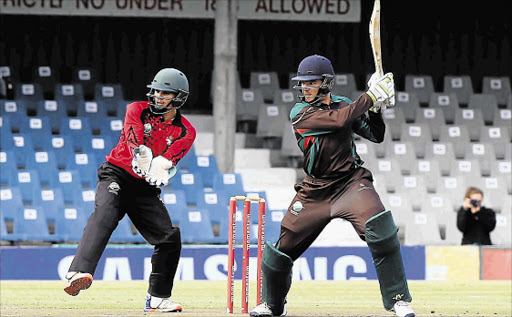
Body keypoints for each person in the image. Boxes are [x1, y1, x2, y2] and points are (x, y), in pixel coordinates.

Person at [250, 55, 415, 317]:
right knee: (281, 251)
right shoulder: (300, 113)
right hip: (314, 191)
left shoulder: (345, 104)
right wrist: (370, 96)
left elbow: (375, 135)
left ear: (327, 83)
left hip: (351, 183)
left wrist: (376, 108)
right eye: (302, 83)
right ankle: (272, 304)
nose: (305, 88)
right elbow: (338, 120)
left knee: (381, 230)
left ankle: (398, 300)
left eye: (311, 82)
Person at [63, 68, 196, 313]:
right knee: (106, 213)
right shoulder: (137, 108)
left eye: (165, 93)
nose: (157, 96)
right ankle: (78, 272)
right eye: (155, 91)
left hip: (144, 187)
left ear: (179, 97)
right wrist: (141, 152)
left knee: (169, 238)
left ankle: (157, 298)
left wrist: (163, 164)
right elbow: (133, 136)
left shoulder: (186, 131)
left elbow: (171, 158)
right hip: (116, 173)